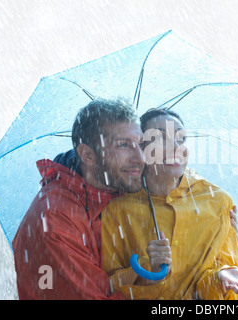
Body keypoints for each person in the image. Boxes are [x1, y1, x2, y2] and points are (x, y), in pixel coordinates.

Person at [101, 108, 238, 300]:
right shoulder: (117, 209)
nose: (175, 147)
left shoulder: (217, 202)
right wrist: (147, 270)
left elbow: (217, 293)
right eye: (160, 138)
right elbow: (107, 285)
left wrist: (220, 277)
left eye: (181, 138)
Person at [12, 98, 145, 299]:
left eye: (141, 144)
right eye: (123, 145)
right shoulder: (53, 221)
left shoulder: (111, 191)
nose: (140, 158)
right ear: (87, 155)